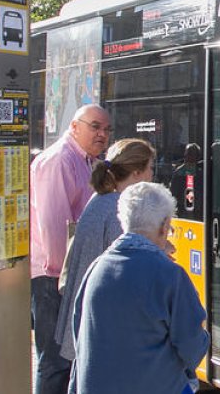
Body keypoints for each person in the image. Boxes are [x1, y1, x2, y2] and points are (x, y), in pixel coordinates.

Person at [72, 182, 209, 394]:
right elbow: (192, 346)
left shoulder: (96, 269)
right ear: (164, 226)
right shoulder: (170, 275)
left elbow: (79, 335)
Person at [54, 138, 156, 389]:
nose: (153, 174)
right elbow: (125, 268)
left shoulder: (100, 199)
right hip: (104, 329)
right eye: (151, 168)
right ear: (136, 173)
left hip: (88, 321)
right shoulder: (119, 209)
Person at [31, 104, 112, 394]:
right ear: (74, 127)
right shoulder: (59, 160)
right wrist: (65, 281)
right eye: (95, 126)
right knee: (55, 361)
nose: (102, 134)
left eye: (106, 129)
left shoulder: (87, 161)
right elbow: (54, 226)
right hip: (53, 277)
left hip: (67, 275)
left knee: (67, 358)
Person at [170, 143, 203, 218]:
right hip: (183, 210)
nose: (188, 156)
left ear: (198, 157)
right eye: (188, 153)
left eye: (192, 154)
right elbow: (173, 193)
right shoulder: (179, 173)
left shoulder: (201, 172)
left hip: (199, 211)